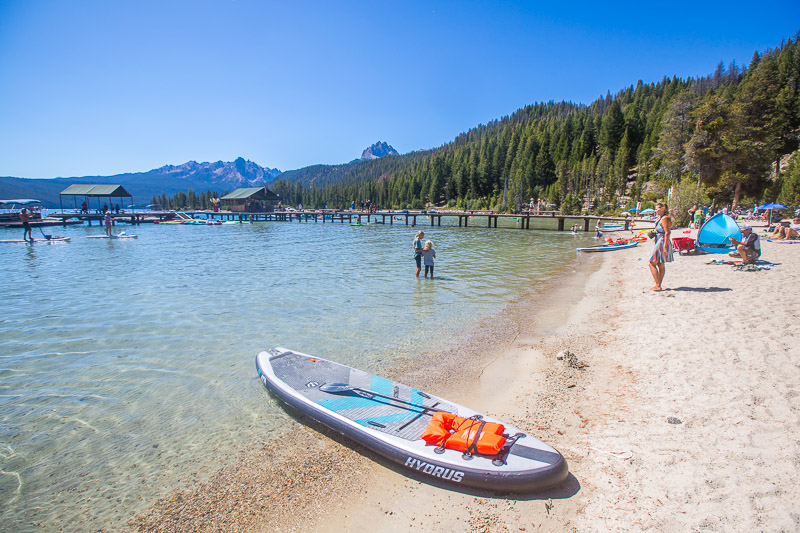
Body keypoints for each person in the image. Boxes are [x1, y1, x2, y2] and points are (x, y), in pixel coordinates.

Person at [648, 202, 674, 291]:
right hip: (659, 240)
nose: (656, 210)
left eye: (657, 208)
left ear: (662, 208)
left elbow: (667, 232)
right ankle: (658, 285)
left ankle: (658, 285)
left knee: (651, 263)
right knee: (660, 263)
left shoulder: (665, 218)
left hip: (662, 242)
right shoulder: (660, 218)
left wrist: (665, 247)